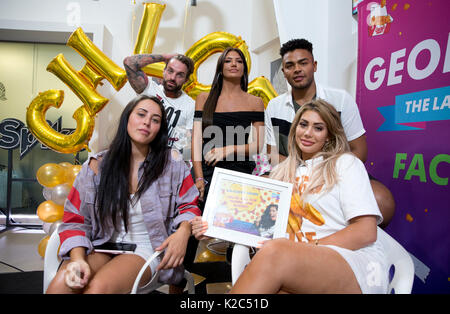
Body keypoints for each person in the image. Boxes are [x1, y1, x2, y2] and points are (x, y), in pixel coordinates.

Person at [194, 99, 390, 293]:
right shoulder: (283, 171)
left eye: (318, 128)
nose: (307, 132)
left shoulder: (345, 164)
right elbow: (254, 224)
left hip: (351, 262)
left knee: (274, 254)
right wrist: (213, 226)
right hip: (296, 265)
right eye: (303, 125)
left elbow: (365, 231)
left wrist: (308, 248)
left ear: (329, 136)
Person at [46, 95, 200, 294]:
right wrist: (77, 260)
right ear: (127, 118)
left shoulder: (172, 163)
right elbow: (75, 220)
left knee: (97, 289)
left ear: (160, 130)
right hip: (102, 245)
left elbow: (189, 205)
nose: (147, 122)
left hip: (147, 249)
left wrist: (183, 231)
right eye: (141, 114)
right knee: (60, 286)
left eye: (155, 120)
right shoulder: (96, 166)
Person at [265, 38, 395, 228]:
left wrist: (324, 176)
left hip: (336, 172)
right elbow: (274, 155)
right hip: (293, 173)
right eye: (290, 65)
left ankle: (347, 241)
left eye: (303, 63)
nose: (297, 69)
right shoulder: (274, 107)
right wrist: (300, 177)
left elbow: (360, 151)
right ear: (283, 71)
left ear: (314, 66)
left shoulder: (341, 99)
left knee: (383, 201)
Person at [191, 47, 265, 204]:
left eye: (239, 61)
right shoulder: (203, 99)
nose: (234, 64)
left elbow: (257, 146)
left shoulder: (255, 102)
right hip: (206, 170)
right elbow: (196, 141)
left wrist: (227, 150)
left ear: (244, 68)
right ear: (220, 68)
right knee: (201, 223)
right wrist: (198, 177)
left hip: (239, 172)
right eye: (228, 60)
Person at [123, 53, 195, 156]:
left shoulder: (191, 105)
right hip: (137, 154)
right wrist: (165, 57)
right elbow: (129, 62)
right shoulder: (149, 89)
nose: (173, 77)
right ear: (164, 71)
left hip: (167, 161)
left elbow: (188, 146)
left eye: (180, 75)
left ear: (186, 80)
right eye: (170, 71)